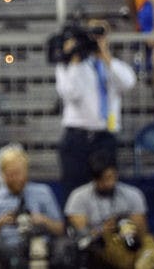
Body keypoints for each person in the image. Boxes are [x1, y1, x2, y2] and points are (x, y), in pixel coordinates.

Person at [55, 19, 137, 202]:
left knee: (106, 189)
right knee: (74, 191)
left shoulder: (112, 65)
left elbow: (128, 83)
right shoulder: (66, 65)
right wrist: (75, 58)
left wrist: (105, 56)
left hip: (105, 137)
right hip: (77, 137)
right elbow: (70, 93)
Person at [65, 153, 154, 269]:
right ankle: (147, 262)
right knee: (109, 243)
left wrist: (128, 226)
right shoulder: (79, 196)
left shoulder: (133, 194)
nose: (111, 183)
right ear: (95, 179)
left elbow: (143, 230)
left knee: (148, 239)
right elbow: (82, 235)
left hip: (129, 239)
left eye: (113, 177)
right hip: (100, 243)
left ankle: (150, 258)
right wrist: (103, 229)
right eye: (106, 179)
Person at [0, 144, 70, 269]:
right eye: (12, 174)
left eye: (20, 173)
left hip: (40, 244)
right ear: (3, 175)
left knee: (64, 245)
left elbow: (60, 229)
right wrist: (0, 223)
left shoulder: (43, 191)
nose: (17, 178)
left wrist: (43, 220)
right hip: (8, 248)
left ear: (27, 171)